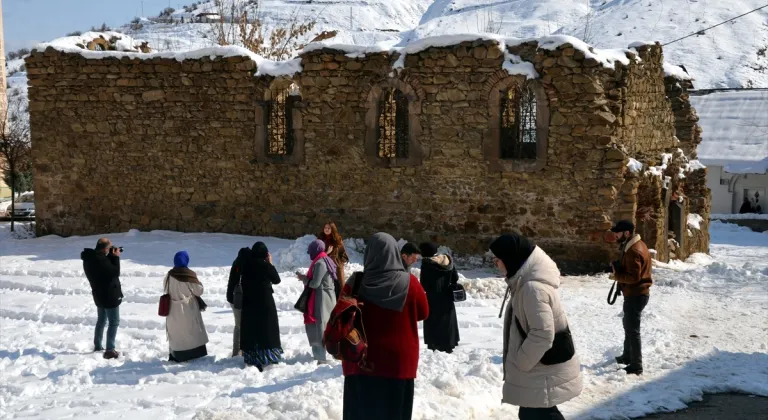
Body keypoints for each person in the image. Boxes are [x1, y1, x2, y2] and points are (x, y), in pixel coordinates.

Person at [490, 233, 582, 420]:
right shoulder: (525, 284)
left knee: (538, 414)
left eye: (497, 260)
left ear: (511, 259)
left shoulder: (532, 289)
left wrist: (522, 361)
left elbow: (542, 334)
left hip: (539, 373)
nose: (496, 264)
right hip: (538, 374)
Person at [342, 233, 429, 420]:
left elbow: (341, 315)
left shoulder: (355, 283)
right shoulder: (410, 283)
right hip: (398, 364)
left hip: (361, 361)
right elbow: (423, 313)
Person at [610, 220, 653, 376]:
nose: (614, 235)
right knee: (628, 325)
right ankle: (627, 356)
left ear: (626, 233)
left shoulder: (633, 250)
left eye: (617, 233)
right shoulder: (634, 245)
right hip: (635, 294)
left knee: (633, 330)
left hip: (636, 294)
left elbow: (634, 277)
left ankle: (636, 365)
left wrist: (617, 275)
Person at [239, 242, 283, 371]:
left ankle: (252, 357)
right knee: (266, 330)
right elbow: (276, 279)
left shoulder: (246, 265)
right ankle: (268, 357)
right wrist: (269, 263)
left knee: (252, 331)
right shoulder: (265, 266)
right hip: (265, 303)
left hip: (249, 303)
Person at [81, 238, 123, 360]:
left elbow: (104, 270)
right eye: (109, 248)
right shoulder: (101, 260)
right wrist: (115, 257)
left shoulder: (90, 258)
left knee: (101, 321)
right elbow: (114, 273)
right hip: (109, 296)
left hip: (99, 295)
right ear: (105, 249)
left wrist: (109, 256)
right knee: (114, 322)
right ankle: (110, 350)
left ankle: (98, 346)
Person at [298, 239, 338, 364]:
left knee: (319, 326)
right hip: (326, 297)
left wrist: (303, 278)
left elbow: (315, 283)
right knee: (325, 325)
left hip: (321, 298)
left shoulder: (320, 263)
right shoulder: (325, 259)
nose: (310, 254)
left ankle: (321, 357)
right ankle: (325, 354)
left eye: (310, 251)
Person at [165, 251, 209, 362]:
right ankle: (194, 354)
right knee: (191, 331)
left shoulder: (169, 275)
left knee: (178, 332)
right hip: (188, 308)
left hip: (173, 310)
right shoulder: (188, 275)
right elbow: (199, 291)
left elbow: (166, 290)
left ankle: (177, 354)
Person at [418, 242, 460, 353]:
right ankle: (449, 345)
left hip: (433, 298)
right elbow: (455, 277)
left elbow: (424, 284)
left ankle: (435, 346)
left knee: (434, 323)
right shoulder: (447, 260)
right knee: (447, 322)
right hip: (447, 297)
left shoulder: (427, 264)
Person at [226, 246, 250, 357]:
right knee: (240, 326)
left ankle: (237, 351)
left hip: (233, 298)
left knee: (239, 325)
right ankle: (239, 352)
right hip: (239, 299)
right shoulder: (244, 265)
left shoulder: (236, 263)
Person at [318, 221, 349, 293]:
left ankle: (340, 301)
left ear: (333, 229)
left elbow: (342, 252)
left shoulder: (338, 239)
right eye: (325, 227)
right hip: (325, 265)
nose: (326, 229)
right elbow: (317, 255)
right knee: (327, 287)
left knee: (340, 287)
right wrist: (326, 253)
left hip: (336, 266)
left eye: (329, 228)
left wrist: (341, 262)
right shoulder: (320, 240)